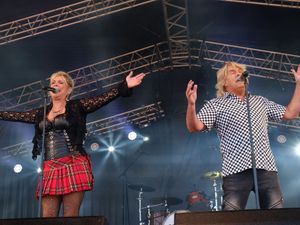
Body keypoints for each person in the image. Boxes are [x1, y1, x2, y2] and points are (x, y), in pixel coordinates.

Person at [0, 70, 145, 217]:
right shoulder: (41, 113)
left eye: (60, 82)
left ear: (69, 89)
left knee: (70, 215)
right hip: (50, 166)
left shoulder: (77, 106)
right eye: (53, 82)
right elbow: (16, 115)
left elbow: (102, 99)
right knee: (47, 216)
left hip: (73, 162)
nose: (55, 84)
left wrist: (124, 86)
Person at [185, 61, 300, 210]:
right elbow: (194, 127)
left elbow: (290, 113)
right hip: (235, 171)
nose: (239, 73)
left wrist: (299, 85)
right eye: (233, 72)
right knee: (231, 219)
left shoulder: (260, 101)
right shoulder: (216, 104)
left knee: (276, 216)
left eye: (240, 71)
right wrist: (191, 105)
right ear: (224, 83)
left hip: (266, 168)